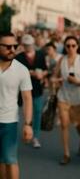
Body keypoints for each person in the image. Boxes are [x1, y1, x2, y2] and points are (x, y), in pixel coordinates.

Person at [52, 36, 80, 165]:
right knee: (64, 125)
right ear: (64, 46)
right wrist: (56, 80)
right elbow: (54, 76)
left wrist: (78, 81)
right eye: (68, 46)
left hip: (79, 97)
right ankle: (66, 154)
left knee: (78, 124)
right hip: (63, 96)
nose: (70, 48)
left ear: (78, 46)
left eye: (73, 45)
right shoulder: (61, 60)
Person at [0, 32, 33, 179]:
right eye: (7, 46)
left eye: (14, 46)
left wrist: (27, 124)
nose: (12, 49)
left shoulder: (21, 70)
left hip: (9, 121)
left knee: (10, 159)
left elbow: (27, 98)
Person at [16, 34, 48, 149]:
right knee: (25, 113)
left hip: (37, 88)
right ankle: (27, 131)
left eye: (29, 45)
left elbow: (45, 69)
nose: (28, 47)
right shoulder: (19, 57)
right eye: (26, 45)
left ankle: (36, 136)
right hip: (23, 90)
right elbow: (16, 72)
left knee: (38, 112)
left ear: (33, 44)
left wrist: (42, 74)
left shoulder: (40, 55)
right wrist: (31, 73)